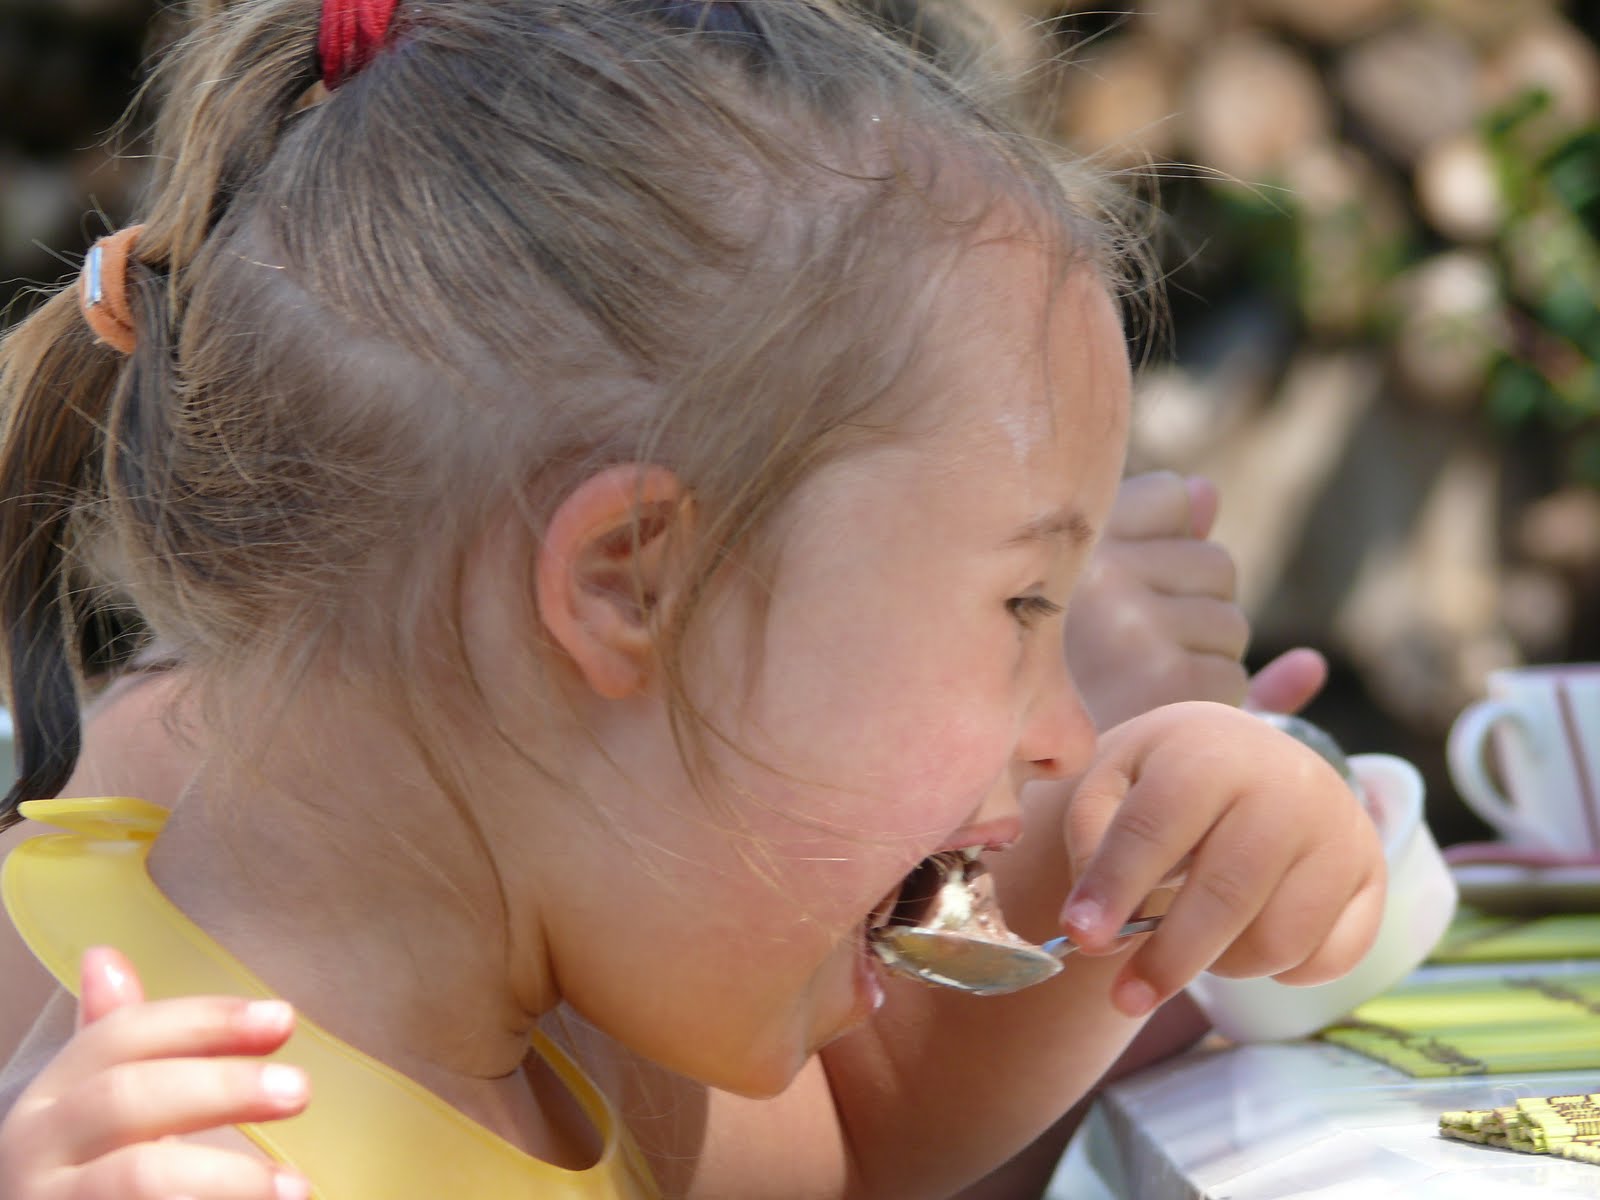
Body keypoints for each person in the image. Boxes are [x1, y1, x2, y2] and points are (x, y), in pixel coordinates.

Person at [0, 2, 1382, 1198]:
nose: (1065, 733)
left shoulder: (532, 1021)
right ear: (632, 582)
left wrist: (1132, 855)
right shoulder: (149, 1109)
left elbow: (857, 1145)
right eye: (1023, 608)